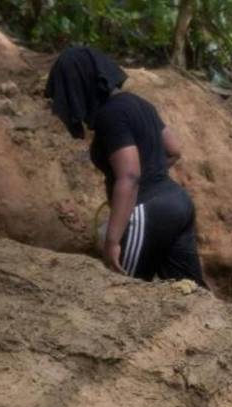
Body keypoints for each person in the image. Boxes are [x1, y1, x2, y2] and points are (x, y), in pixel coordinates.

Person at [45, 47, 205, 286]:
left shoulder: (111, 115)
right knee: (190, 292)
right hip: (178, 202)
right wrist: (153, 175)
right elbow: (173, 150)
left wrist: (112, 241)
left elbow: (129, 176)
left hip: (148, 210)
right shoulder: (138, 103)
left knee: (121, 290)